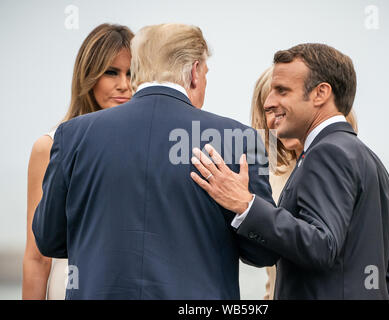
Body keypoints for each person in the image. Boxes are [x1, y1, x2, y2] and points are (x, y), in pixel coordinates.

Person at [31, 23, 278, 299]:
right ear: (195, 72)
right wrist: (244, 206)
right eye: (206, 73)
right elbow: (264, 252)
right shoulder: (238, 140)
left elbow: (49, 239)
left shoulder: (72, 135)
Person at [190, 43, 389, 299]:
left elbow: (322, 245)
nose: (269, 102)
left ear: (321, 93)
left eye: (281, 91)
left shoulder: (327, 153)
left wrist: (246, 204)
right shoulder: (371, 160)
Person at [23, 23, 134, 300]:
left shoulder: (148, 147)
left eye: (132, 73)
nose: (124, 84)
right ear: (88, 75)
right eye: (111, 72)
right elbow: (37, 258)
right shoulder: (48, 147)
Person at [251, 66, 359, 299]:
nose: (276, 117)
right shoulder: (266, 179)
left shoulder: (344, 165)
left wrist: (246, 207)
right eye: (268, 109)